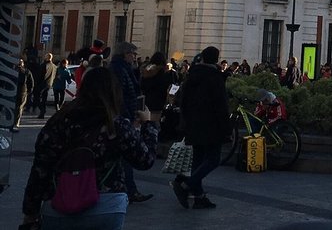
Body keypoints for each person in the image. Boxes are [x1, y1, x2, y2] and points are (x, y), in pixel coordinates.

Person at [19, 66, 158, 230]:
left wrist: (30, 211)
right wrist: (149, 125)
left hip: (59, 203)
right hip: (106, 206)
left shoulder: (58, 122)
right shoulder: (116, 125)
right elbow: (145, 160)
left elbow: (40, 170)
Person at [171, 45, 230, 210]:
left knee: (198, 160)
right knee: (213, 159)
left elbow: (184, 100)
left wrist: (185, 121)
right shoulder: (216, 77)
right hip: (211, 125)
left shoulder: (192, 75)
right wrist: (226, 128)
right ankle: (186, 185)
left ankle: (199, 197)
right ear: (216, 59)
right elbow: (221, 105)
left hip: (193, 123)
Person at [108, 41, 151, 203]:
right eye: (133, 54)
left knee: (122, 156)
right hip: (124, 119)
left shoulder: (124, 69)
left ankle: (123, 188)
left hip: (126, 117)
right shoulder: (119, 70)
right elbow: (121, 97)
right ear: (125, 54)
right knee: (126, 156)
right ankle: (128, 190)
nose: (134, 57)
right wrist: (129, 118)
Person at [140, 52, 177, 124]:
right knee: (155, 125)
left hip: (146, 103)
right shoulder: (165, 74)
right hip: (159, 103)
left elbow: (142, 86)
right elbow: (170, 88)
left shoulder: (146, 72)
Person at [34, 52, 57, 119]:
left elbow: (40, 75)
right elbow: (55, 76)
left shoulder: (44, 65)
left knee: (36, 98)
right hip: (49, 84)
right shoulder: (54, 66)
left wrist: (36, 83)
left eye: (45, 56)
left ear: (47, 57)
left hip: (42, 84)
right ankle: (42, 114)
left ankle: (42, 110)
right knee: (44, 99)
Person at [14, 58, 35, 132]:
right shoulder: (27, 71)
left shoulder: (12, 71)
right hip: (23, 92)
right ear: (23, 64)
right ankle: (16, 123)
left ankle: (10, 121)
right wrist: (28, 91)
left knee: (12, 107)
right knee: (19, 107)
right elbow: (31, 83)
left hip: (13, 91)